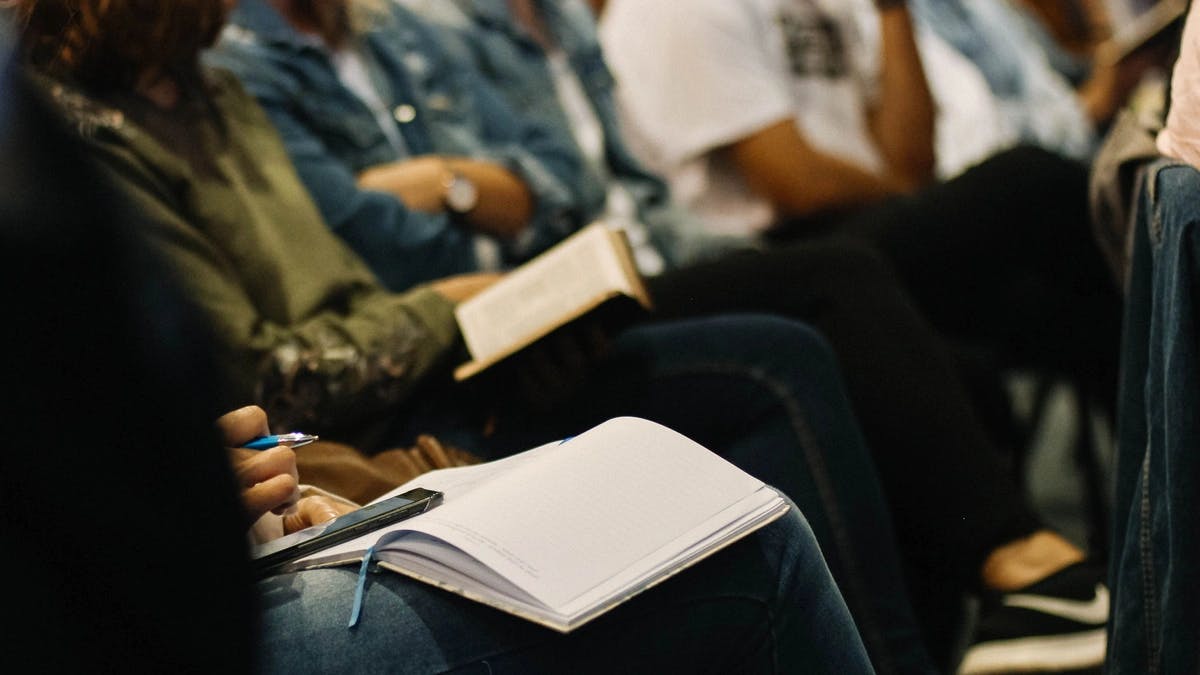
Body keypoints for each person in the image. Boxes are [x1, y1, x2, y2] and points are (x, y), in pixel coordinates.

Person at [14, 1, 923, 672]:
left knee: (772, 366)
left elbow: (545, 186)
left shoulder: (218, 92)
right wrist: (452, 304)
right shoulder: (78, 131)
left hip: (384, 408)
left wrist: (479, 297)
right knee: (753, 525)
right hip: (342, 449)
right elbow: (273, 369)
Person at [389, 1, 1110, 670]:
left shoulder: (564, 25)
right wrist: (480, 191)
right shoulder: (448, 30)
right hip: (543, 306)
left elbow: (620, 193)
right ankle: (1024, 567)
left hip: (662, 261)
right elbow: (527, 207)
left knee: (973, 349)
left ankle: (1066, 583)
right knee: (970, 215)